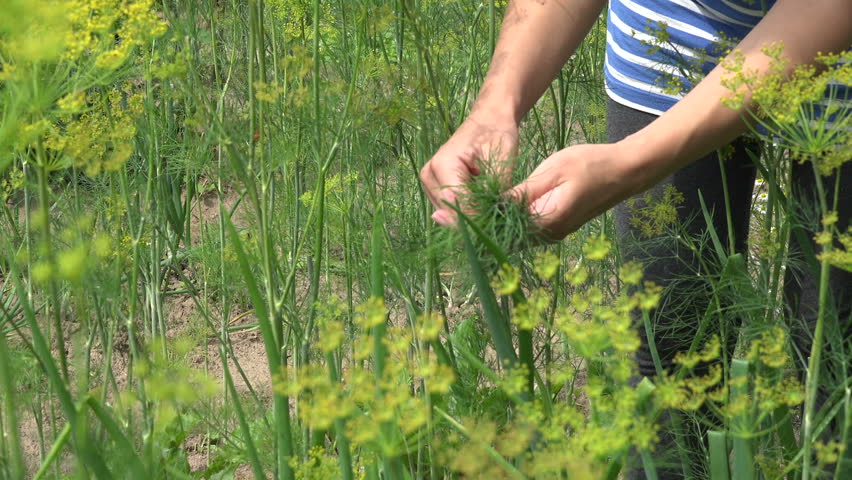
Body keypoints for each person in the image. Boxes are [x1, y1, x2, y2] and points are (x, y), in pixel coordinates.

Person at [420, 0, 852, 478]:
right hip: (671, 37)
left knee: (835, 360)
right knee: (671, 355)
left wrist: (633, 164)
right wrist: (494, 106)